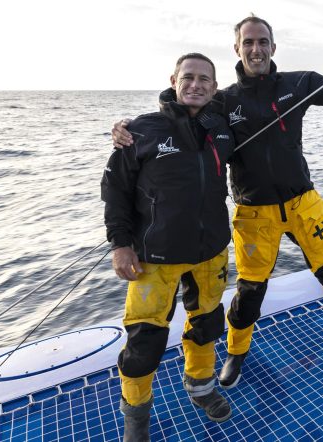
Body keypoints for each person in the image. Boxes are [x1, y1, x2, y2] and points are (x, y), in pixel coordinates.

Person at [114, 16, 323, 390]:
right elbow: (182, 116)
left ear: (273, 47)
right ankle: (236, 351)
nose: (256, 49)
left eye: (262, 41)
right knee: (250, 291)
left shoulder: (300, 83)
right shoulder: (223, 100)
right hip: (254, 212)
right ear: (237, 48)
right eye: (248, 42)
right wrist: (131, 128)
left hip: (302, 203)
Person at [101, 53, 236, 441]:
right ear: (174, 81)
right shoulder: (141, 130)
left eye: (204, 79)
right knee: (144, 341)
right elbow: (115, 188)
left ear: (214, 87)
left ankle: (201, 387)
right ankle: (136, 416)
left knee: (207, 324)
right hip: (155, 257)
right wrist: (120, 244)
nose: (196, 84)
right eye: (188, 77)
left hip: (211, 250)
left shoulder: (221, 127)